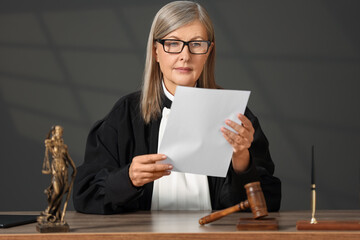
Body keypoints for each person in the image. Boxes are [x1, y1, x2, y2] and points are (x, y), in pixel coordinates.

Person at [73, 1, 281, 214]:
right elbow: (84, 194)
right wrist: (128, 179)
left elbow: (270, 203)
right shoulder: (125, 114)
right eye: (172, 43)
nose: (185, 55)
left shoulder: (236, 116)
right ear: (156, 52)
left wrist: (241, 161)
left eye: (197, 44)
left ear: (208, 51)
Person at [39, 125, 77, 223]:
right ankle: (49, 209)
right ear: (54, 132)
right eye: (58, 131)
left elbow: (68, 157)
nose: (60, 133)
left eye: (61, 131)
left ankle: (55, 213)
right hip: (56, 168)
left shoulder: (64, 146)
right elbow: (46, 139)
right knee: (56, 191)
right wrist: (50, 130)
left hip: (64, 169)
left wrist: (74, 168)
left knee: (63, 190)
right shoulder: (52, 143)